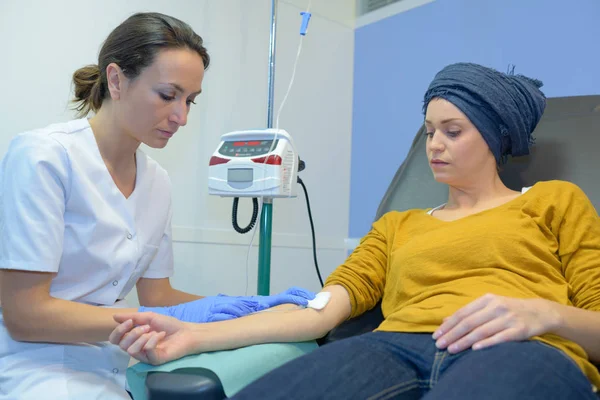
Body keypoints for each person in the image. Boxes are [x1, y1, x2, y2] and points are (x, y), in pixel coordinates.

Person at [110, 63, 600, 399]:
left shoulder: (553, 201)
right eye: (429, 131)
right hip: (396, 346)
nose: (435, 145)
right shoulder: (397, 226)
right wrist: (193, 335)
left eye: (453, 131)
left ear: (495, 136)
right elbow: (317, 314)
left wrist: (543, 314)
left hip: (519, 350)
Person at [0, 12, 314, 400]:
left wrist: (245, 308)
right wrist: (160, 320)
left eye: (190, 100)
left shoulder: (156, 181)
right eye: (168, 95)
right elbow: (25, 315)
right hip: (36, 367)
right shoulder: (44, 158)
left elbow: (158, 297)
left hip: (118, 362)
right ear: (116, 80)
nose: (181, 116)